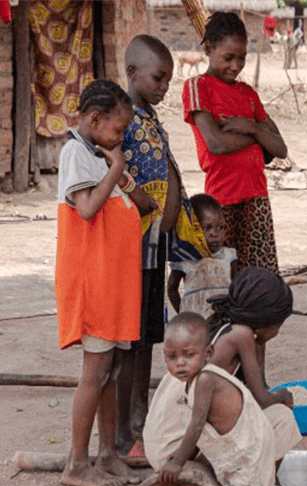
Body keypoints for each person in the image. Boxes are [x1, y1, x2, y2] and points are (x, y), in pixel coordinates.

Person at [145, 268, 301, 486]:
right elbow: (261, 399)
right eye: (279, 324)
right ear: (268, 319)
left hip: (162, 441)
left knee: (257, 428)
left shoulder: (223, 326)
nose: (278, 331)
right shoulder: (240, 335)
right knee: (280, 421)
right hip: (177, 449)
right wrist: (285, 397)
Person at [56, 79, 146, 486]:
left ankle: (107, 453)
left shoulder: (95, 152)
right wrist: (117, 168)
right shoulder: (76, 153)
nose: (121, 137)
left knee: (111, 371)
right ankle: (77, 464)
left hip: (113, 285)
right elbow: (88, 209)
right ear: (94, 120)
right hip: (93, 284)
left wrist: (118, 171)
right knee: (94, 373)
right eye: (118, 129)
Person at [157, 313, 288, 486]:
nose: (180, 363)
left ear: (208, 353)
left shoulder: (205, 380)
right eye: (172, 357)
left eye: (189, 355)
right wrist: (182, 455)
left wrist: (178, 461)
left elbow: (197, 425)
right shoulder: (194, 379)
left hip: (247, 446)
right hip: (242, 442)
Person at [116, 34, 182, 458]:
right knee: (129, 340)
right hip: (132, 250)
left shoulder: (152, 119)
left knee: (147, 337)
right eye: (158, 78)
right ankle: (123, 427)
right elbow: (107, 164)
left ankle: (140, 417)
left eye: (168, 81)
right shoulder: (121, 118)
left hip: (155, 249)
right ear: (132, 72)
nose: (164, 87)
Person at [183, 11, 288, 276]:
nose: (236, 65)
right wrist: (258, 137)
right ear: (208, 49)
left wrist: (250, 127)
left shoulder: (248, 93)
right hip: (221, 204)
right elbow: (216, 143)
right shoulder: (198, 87)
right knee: (222, 279)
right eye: (228, 57)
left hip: (257, 199)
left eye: (242, 58)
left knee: (260, 280)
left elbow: (279, 149)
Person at [167, 193, 237, 318]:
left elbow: (236, 287)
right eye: (207, 228)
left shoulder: (228, 256)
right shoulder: (185, 259)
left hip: (223, 318)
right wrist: (183, 313)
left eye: (220, 227)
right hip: (195, 320)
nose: (215, 233)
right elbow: (172, 289)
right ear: (193, 229)